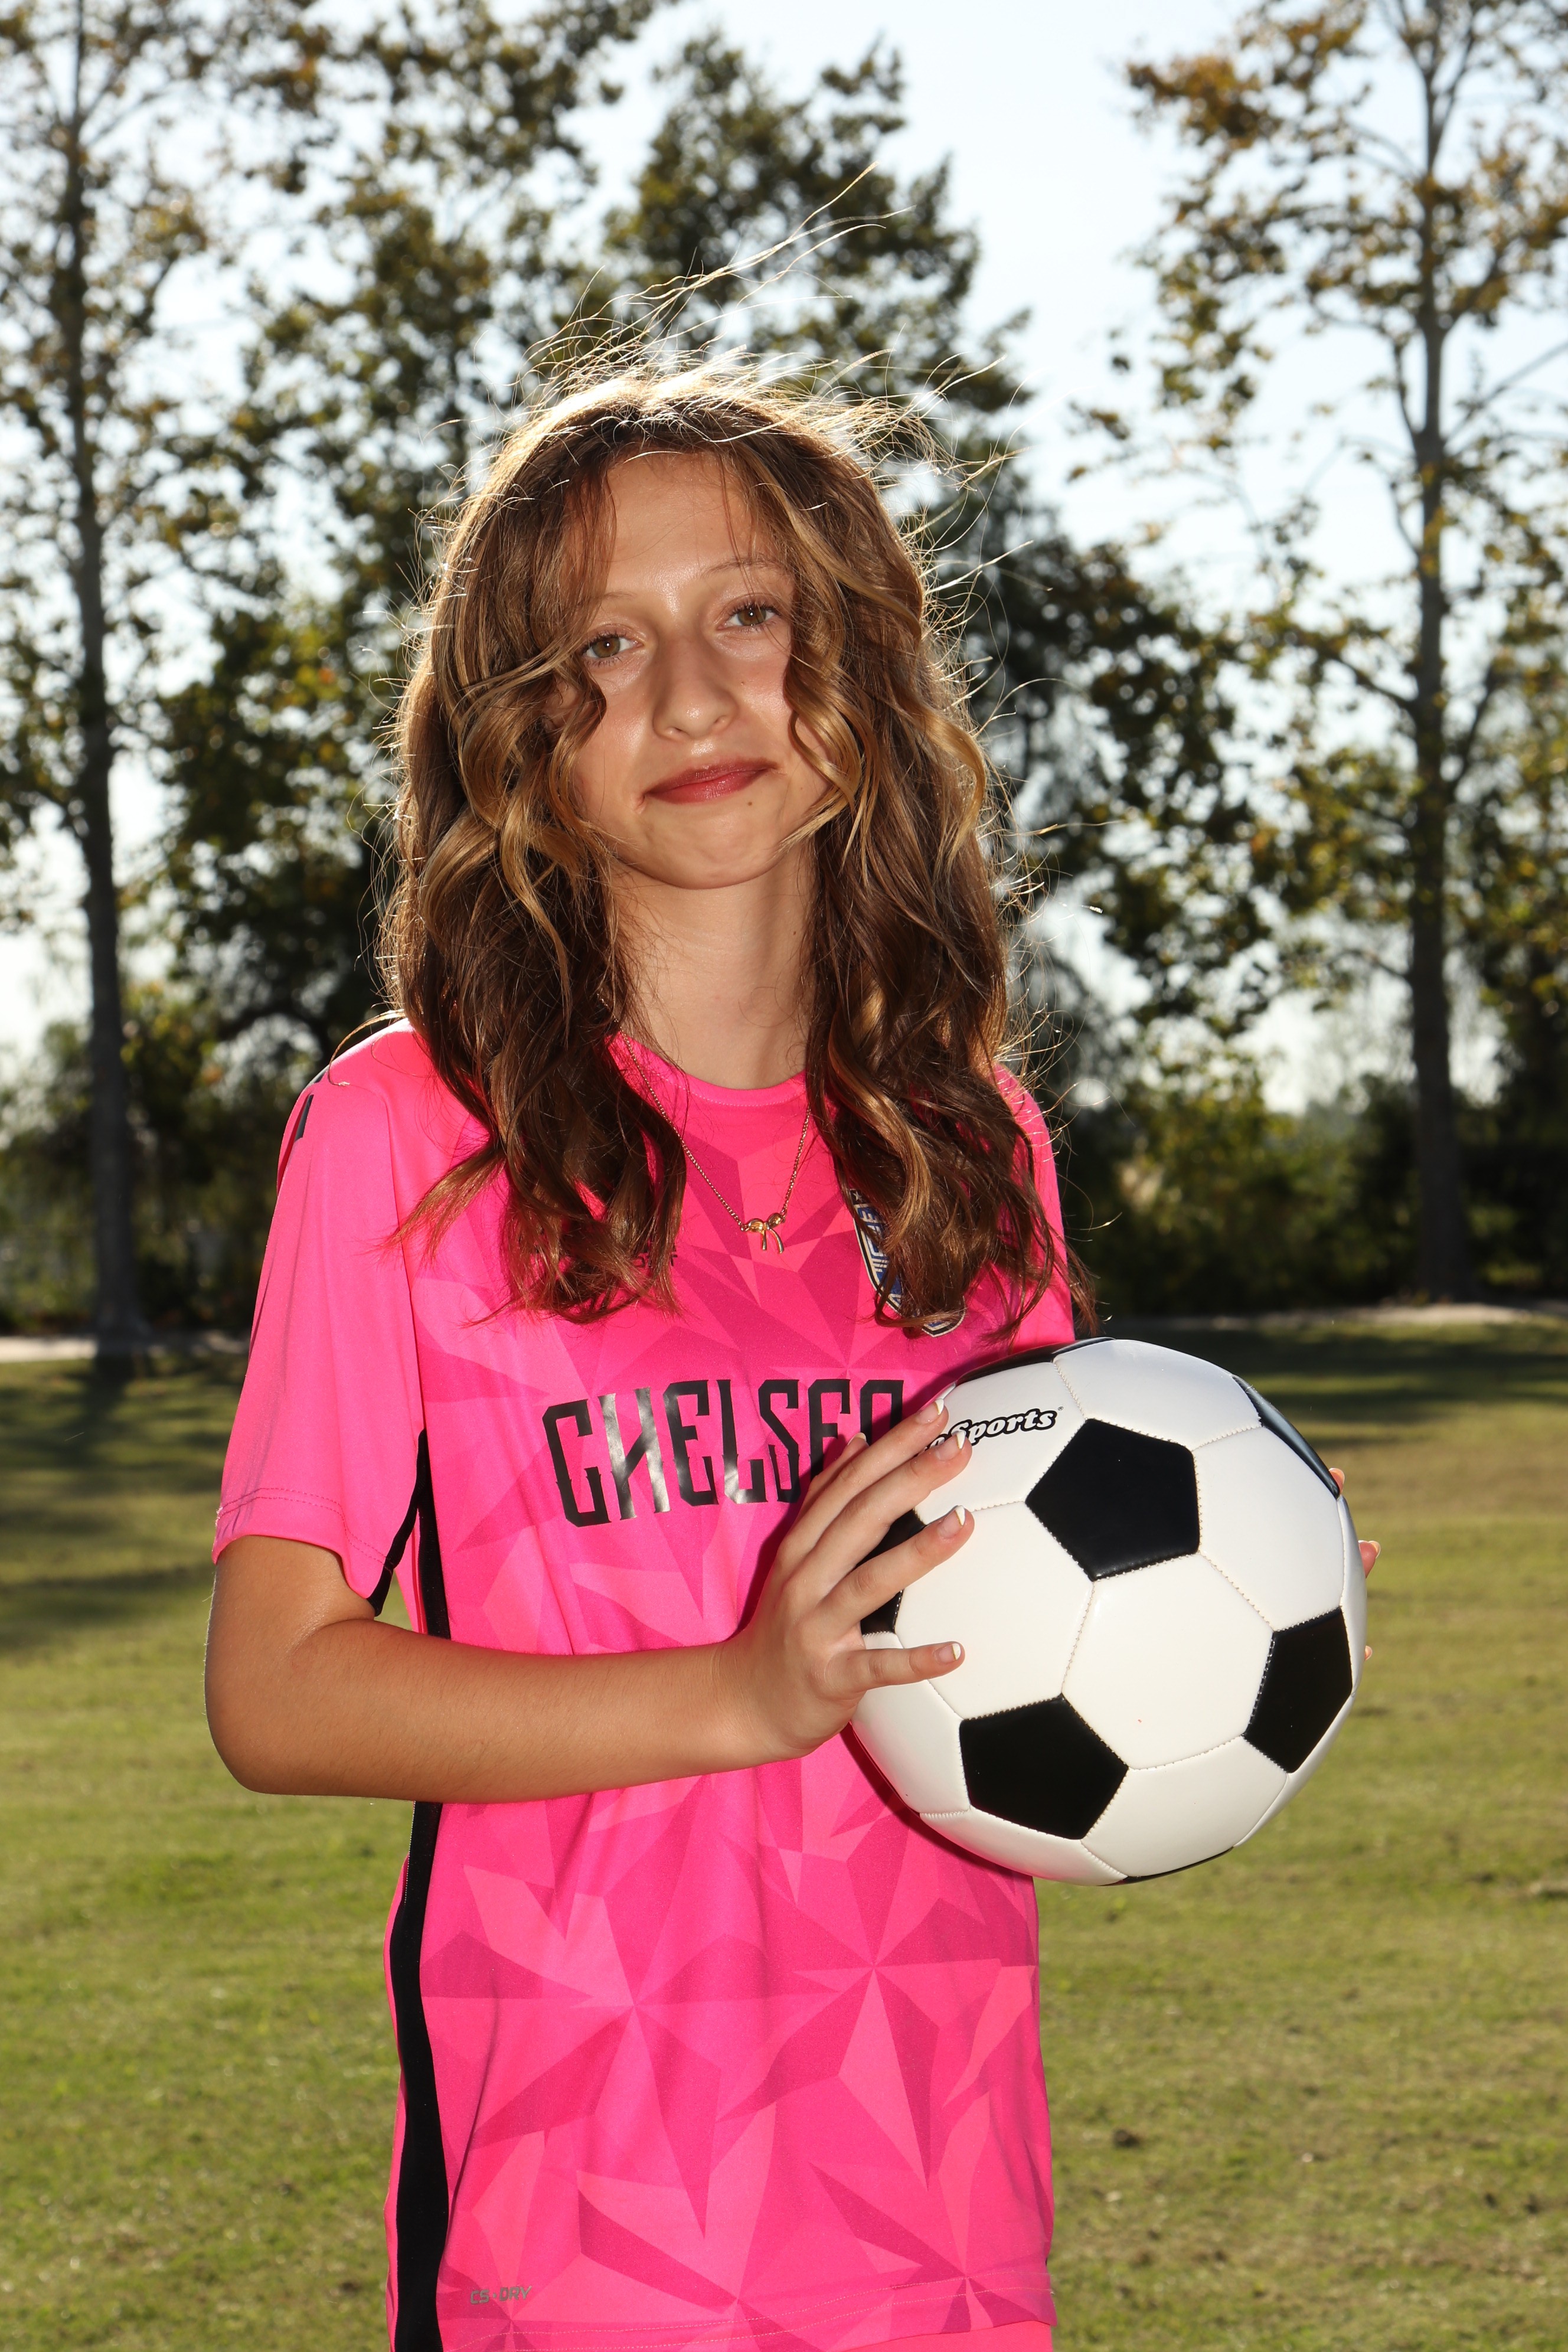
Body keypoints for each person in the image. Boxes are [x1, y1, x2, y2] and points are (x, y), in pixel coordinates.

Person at [204, 362, 1372, 2352]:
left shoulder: (971, 1148)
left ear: (859, 674)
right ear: (525, 738)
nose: (691, 697)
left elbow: (1021, 1655)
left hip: (942, 2216)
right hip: (585, 2230)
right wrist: (737, 1696)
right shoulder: (413, 1134)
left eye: (751, 614)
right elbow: (277, 1689)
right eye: (604, 646)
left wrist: (1221, 1620)